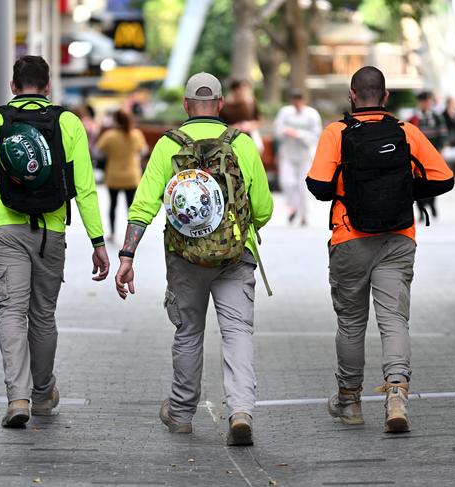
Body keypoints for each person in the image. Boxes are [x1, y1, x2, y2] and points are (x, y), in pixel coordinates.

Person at [114, 72, 273, 446]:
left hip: (184, 257)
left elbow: (143, 206)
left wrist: (126, 255)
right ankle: (240, 411)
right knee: (237, 332)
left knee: (188, 333)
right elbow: (263, 207)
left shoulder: (168, 146)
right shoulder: (242, 144)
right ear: (220, 105)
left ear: (186, 105)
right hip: (236, 256)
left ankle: (182, 414)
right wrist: (238, 230)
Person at [306, 66, 454, 433]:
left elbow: (320, 187)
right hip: (398, 236)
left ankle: (350, 401)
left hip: (350, 238)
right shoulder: (407, 132)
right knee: (393, 320)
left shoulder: (336, 133)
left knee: (352, 323)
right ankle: (397, 396)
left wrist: (352, 189)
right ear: (385, 97)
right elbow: (444, 179)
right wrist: (403, 190)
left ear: (352, 96)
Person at [0, 55, 110, 428]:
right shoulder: (68, 122)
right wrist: (98, 240)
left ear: (13, 86)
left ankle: (18, 398)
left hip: (6, 230)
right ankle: (43, 394)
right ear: (47, 87)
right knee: (43, 315)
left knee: (11, 313)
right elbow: (85, 188)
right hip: (51, 232)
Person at [94, 109, 147, 241]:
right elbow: (144, 150)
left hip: (114, 176)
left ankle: (112, 233)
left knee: (113, 205)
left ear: (115, 120)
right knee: (131, 207)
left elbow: (97, 152)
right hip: (132, 176)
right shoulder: (136, 134)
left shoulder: (109, 136)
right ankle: (132, 235)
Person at [273, 89, 322, 225]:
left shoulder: (312, 114)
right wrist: (285, 132)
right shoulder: (285, 112)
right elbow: (277, 129)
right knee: (287, 183)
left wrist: (299, 134)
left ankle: (304, 215)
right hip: (288, 154)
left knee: (303, 186)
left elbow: (316, 135)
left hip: (304, 156)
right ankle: (294, 207)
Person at [409, 91, 447, 220]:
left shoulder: (436, 117)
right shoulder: (414, 119)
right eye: (422, 101)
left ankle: (432, 204)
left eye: (427, 101)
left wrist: (440, 151)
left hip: (431, 155)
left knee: (432, 180)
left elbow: (442, 135)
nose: (425, 104)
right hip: (417, 156)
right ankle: (421, 210)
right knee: (418, 182)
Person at [220, 79, 264, 153]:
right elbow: (219, 126)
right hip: (230, 137)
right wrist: (234, 127)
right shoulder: (224, 106)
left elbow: (260, 121)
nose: (244, 93)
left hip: (249, 136)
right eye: (241, 90)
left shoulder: (251, 103)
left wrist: (250, 125)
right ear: (234, 91)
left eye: (246, 90)